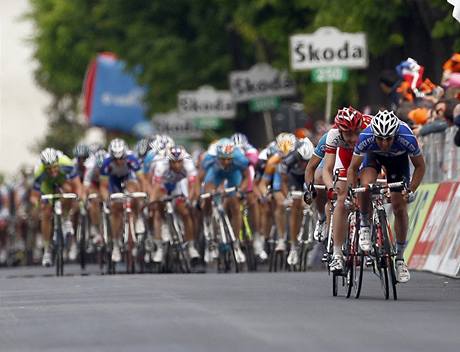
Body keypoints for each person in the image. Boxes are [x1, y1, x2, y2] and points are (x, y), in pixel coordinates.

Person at [347, 110, 426, 283]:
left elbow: (420, 167)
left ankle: (399, 258)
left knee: (399, 206)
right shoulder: (366, 136)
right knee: (367, 187)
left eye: (388, 139)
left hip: (398, 163)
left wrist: (411, 189)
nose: (384, 143)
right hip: (372, 159)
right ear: (374, 135)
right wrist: (352, 191)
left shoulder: (407, 136)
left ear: (395, 135)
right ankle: (366, 224)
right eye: (380, 139)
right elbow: (353, 169)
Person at [322, 107, 368, 272]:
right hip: (344, 160)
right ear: (340, 131)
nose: (354, 138)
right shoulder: (333, 135)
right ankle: (337, 255)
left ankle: (371, 231)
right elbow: (327, 170)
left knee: (369, 189)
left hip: (365, 158)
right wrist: (331, 188)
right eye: (348, 134)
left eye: (357, 132)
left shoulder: (370, 128)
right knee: (341, 199)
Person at [30, 148, 83, 266]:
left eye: (55, 167)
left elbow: (77, 185)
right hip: (47, 184)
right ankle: (47, 249)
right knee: (46, 213)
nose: (53, 171)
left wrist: (78, 198)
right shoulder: (39, 172)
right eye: (49, 169)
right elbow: (34, 196)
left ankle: (66, 219)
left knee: (68, 191)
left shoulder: (66, 163)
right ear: (44, 167)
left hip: (63, 180)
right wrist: (39, 205)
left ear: (58, 163)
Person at [201, 138, 250, 263]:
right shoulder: (209, 160)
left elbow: (246, 177)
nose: (226, 162)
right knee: (207, 197)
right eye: (223, 159)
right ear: (217, 157)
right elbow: (205, 181)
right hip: (215, 174)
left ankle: (236, 242)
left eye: (229, 159)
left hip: (233, 174)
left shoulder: (240, 159)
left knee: (235, 204)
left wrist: (240, 191)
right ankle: (208, 223)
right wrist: (210, 192)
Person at [149, 145, 200, 263]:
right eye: (173, 162)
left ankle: (191, 246)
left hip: (179, 185)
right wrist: (152, 200)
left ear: (183, 160)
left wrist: (190, 199)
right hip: (164, 185)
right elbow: (156, 187)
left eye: (179, 162)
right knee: (158, 207)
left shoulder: (188, 164)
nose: (177, 165)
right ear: (169, 161)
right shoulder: (161, 166)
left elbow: (193, 186)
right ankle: (160, 247)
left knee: (185, 212)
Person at [100, 139, 143, 263]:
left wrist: (143, 197)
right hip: (114, 181)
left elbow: (142, 180)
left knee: (134, 190)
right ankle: (116, 244)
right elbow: (103, 186)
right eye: (116, 159)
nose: (119, 162)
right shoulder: (106, 163)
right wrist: (107, 199)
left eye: (121, 158)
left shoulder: (132, 159)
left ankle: (138, 216)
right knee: (115, 209)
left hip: (128, 177)